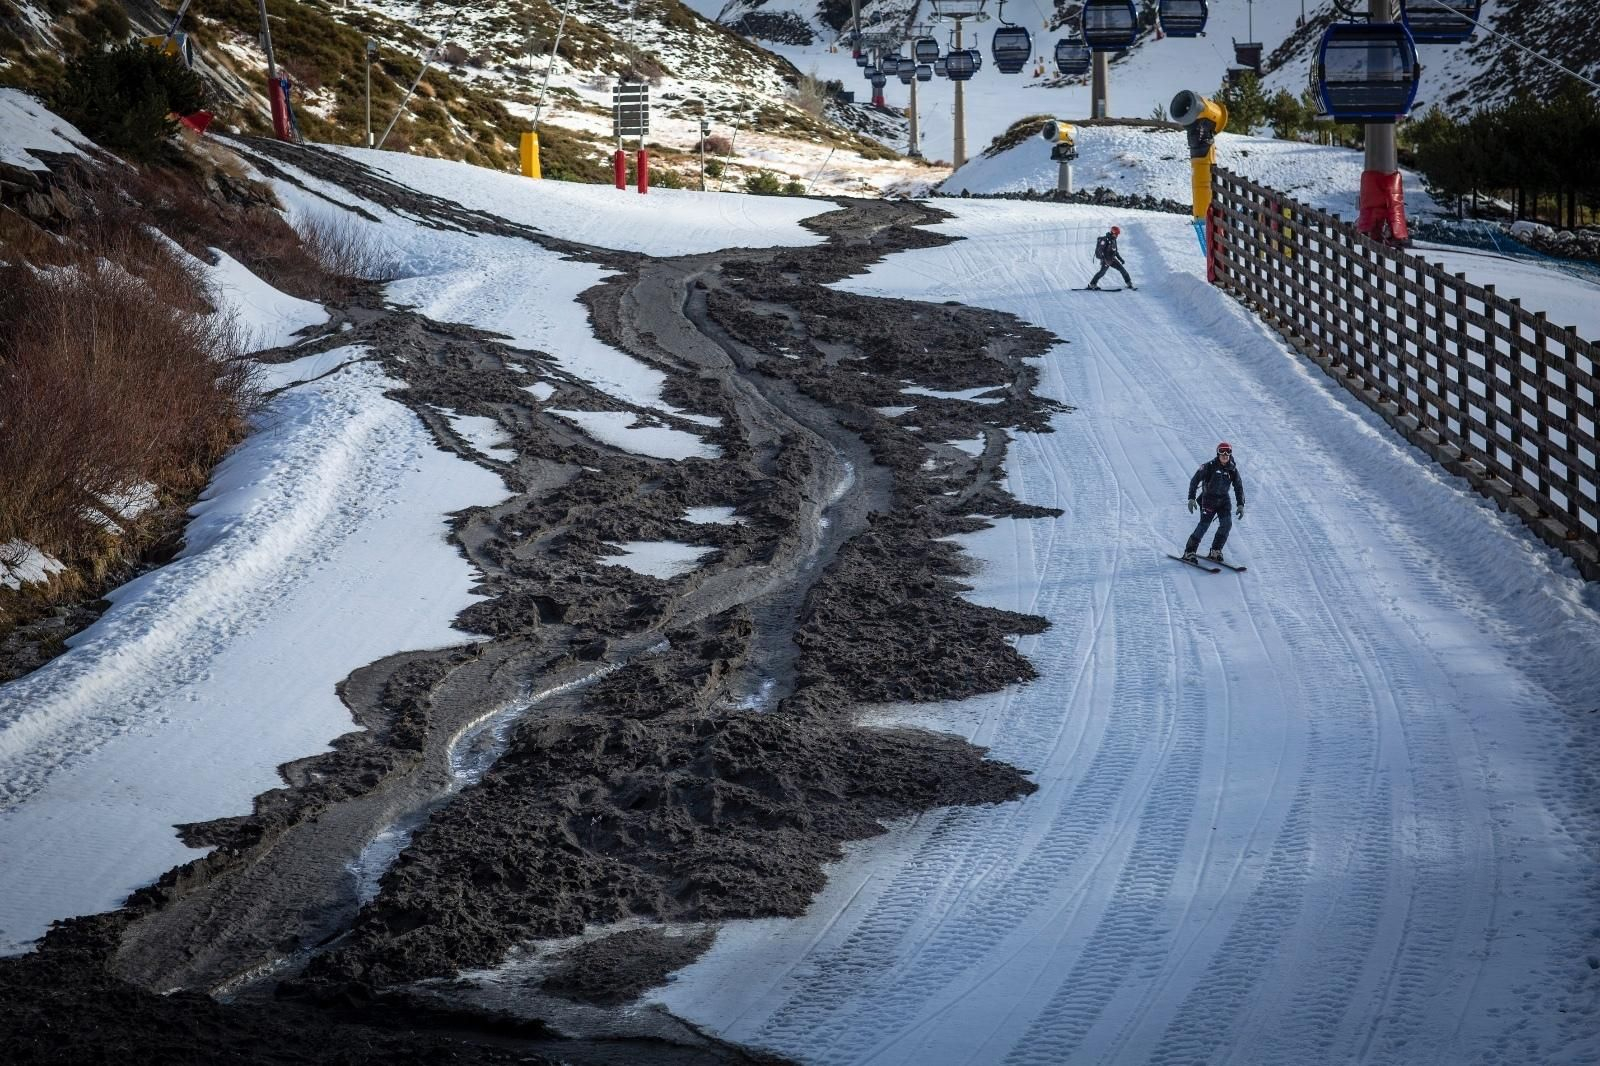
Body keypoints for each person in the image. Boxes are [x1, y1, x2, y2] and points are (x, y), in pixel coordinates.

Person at [1183, 442, 1245, 562]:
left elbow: (1238, 487)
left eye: (1228, 452)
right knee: (1204, 526)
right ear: (1218, 453)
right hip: (1208, 500)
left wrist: (1240, 504)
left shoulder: (1232, 469)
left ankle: (1215, 551)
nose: (1225, 454)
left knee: (1226, 524)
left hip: (1224, 501)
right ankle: (1189, 552)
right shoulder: (1209, 466)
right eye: (1222, 451)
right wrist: (1191, 498)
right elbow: (1194, 481)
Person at [1088, 226, 1135, 290]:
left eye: (1117, 234)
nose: (1117, 236)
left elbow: (1115, 251)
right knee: (1102, 272)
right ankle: (1092, 284)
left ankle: (1129, 283)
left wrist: (1120, 259)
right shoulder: (1105, 240)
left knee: (1123, 270)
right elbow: (1099, 250)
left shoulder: (1114, 240)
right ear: (1113, 232)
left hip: (1112, 259)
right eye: (1116, 234)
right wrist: (1102, 258)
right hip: (1106, 260)